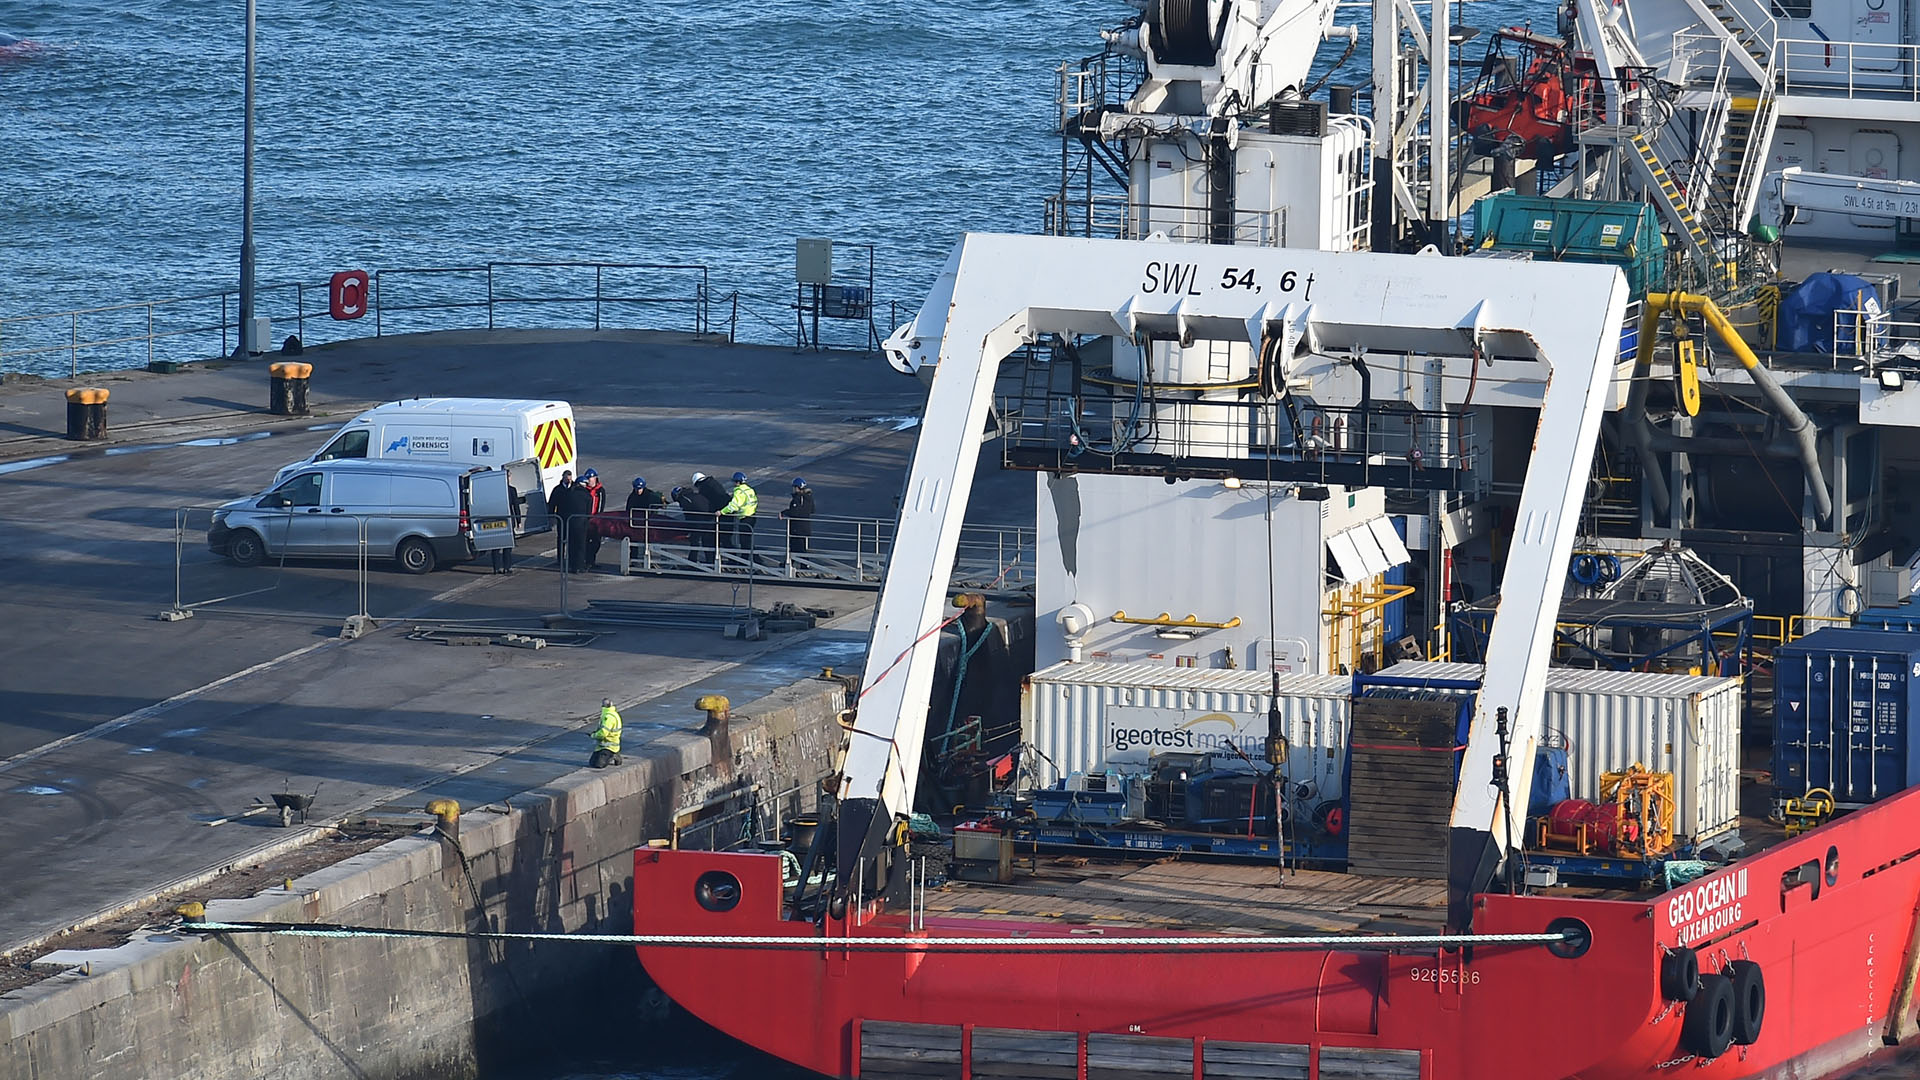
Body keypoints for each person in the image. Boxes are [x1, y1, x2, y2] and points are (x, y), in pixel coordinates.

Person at [548, 469, 593, 573]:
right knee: (573, 542)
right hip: (569, 520)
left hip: (570, 520)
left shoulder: (572, 492)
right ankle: (574, 564)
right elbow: (552, 503)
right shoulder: (559, 490)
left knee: (572, 543)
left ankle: (572, 564)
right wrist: (552, 515)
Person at [673, 482, 714, 565]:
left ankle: (692, 561)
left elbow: (688, 515)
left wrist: (689, 529)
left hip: (700, 521)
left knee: (694, 541)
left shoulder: (685, 499)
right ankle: (710, 561)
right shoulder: (694, 495)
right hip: (709, 519)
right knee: (707, 542)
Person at [692, 471, 730, 562]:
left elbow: (706, 504)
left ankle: (711, 561)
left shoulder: (705, 488)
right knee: (725, 539)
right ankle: (733, 560)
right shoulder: (713, 483)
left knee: (709, 540)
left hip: (720, 516)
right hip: (726, 514)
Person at [718, 470, 758, 554]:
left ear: (737, 482)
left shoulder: (739, 491)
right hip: (752, 515)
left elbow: (734, 505)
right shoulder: (749, 489)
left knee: (744, 542)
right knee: (747, 540)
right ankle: (752, 559)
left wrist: (722, 512)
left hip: (745, 517)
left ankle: (747, 562)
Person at [490, 482, 522, 574]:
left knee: (496, 545)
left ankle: (497, 568)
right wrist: (518, 520)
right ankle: (506, 567)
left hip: (496, 520)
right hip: (507, 519)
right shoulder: (511, 489)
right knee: (507, 545)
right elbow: (516, 506)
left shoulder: (494, 490)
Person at [781, 477, 815, 555]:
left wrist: (784, 512)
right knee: (798, 547)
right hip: (805, 527)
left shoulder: (798, 498)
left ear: (797, 488)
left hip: (797, 528)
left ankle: (804, 565)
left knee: (798, 548)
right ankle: (791, 562)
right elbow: (812, 510)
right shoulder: (809, 497)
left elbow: (794, 512)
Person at [580, 468, 607, 568]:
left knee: (596, 542)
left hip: (596, 520)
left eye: (591, 478)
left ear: (595, 478)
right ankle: (587, 561)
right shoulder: (584, 490)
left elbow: (600, 505)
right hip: (585, 520)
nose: (589, 481)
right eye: (588, 479)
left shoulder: (600, 490)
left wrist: (597, 518)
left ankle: (591, 560)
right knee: (585, 541)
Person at [590, 697, 623, 768]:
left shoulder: (608, 717)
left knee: (599, 765)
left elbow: (603, 733)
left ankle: (614, 755)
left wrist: (593, 735)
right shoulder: (611, 713)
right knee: (592, 763)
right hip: (603, 744)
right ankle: (611, 754)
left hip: (610, 746)